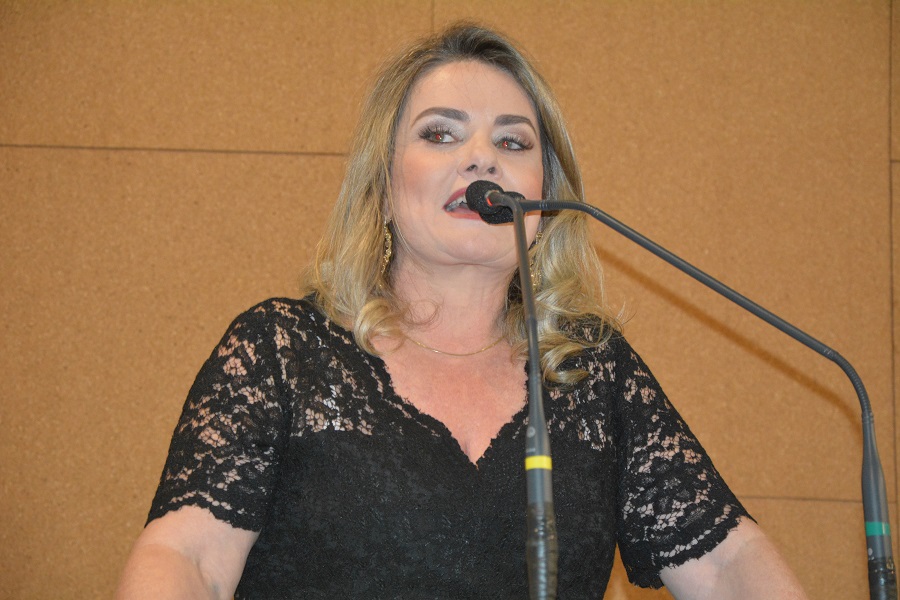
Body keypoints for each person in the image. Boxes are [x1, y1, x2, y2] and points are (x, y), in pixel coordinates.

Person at [117, 23, 808, 599]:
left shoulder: (592, 372)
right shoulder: (282, 350)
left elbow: (726, 563)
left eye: (513, 143)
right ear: (383, 189)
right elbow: (188, 559)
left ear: (544, 199)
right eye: (441, 135)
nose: (482, 160)